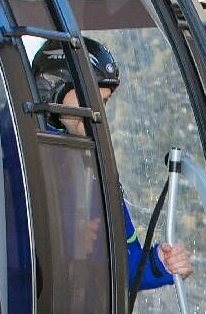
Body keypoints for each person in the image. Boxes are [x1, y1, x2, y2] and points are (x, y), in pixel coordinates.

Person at [31, 38, 191, 286]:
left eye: (103, 102)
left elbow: (122, 261)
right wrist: (65, 242)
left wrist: (160, 263)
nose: (97, 113)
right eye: (88, 97)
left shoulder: (92, 167)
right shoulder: (12, 151)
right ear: (50, 86)